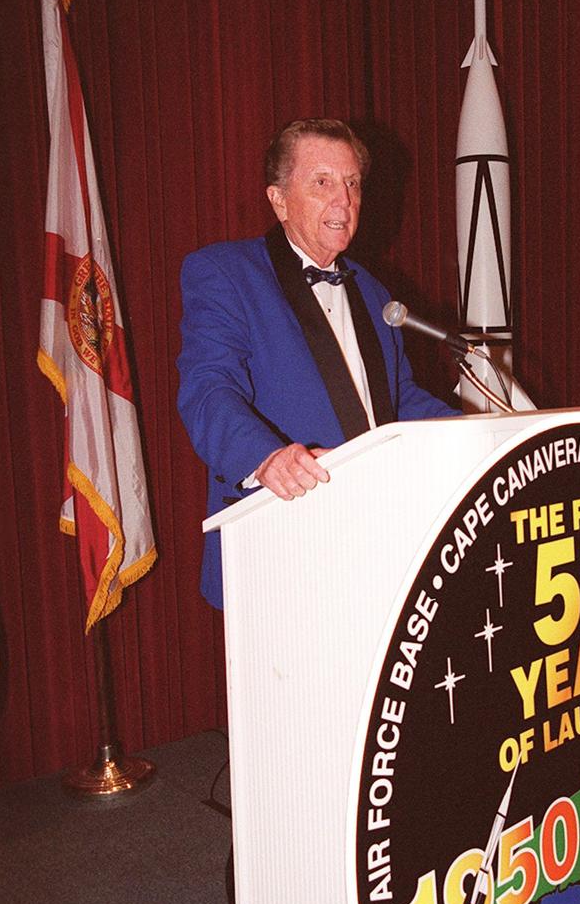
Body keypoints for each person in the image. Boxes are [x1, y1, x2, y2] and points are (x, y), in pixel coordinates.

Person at [177, 118, 458, 608]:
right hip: (281, 539)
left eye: (352, 184)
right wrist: (265, 457)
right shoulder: (224, 273)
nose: (343, 201)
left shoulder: (373, 291)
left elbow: (397, 398)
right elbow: (207, 389)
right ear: (279, 200)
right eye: (322, 182)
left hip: (378, 542)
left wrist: (476, 436)